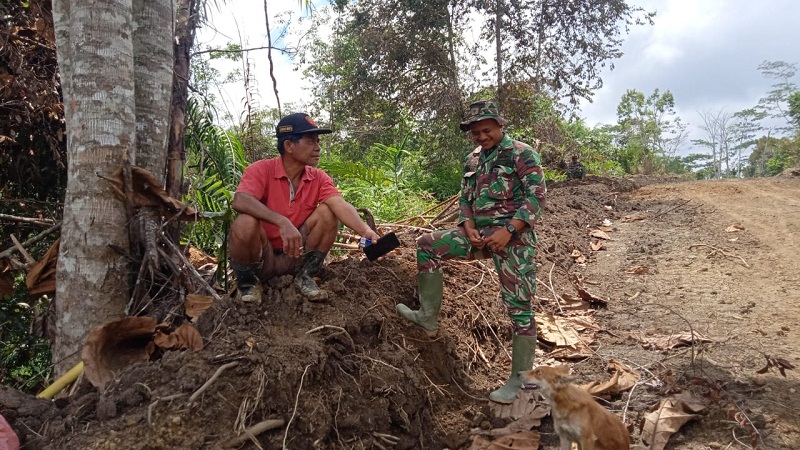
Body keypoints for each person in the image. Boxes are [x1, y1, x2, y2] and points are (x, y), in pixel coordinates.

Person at [396, 100, 546, 404]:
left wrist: (509, 230)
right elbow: (465, 199)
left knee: (519, 307)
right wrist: (467, 226)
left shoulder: (522, 153)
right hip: (478, 236)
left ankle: (521, 381)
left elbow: (536, 197)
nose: (481, 137)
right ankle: (427, 317)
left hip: (513, 238)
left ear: (500, 125)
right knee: (427, 245)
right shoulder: (473, 160)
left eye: (486, 130)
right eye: (476, 133)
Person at [228, 112, 380, 303]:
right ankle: (249, 283)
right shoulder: (261, 170)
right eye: (310, 141)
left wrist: (365, 231)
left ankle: (305, 275)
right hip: (263, 260)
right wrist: (281, 221)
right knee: (244, 222)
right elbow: (240, 200)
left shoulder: (318, 177)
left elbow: (339, 204)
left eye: (318, 141)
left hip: (296, 256)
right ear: (288, 146)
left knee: (327, 212)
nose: (317, 148)